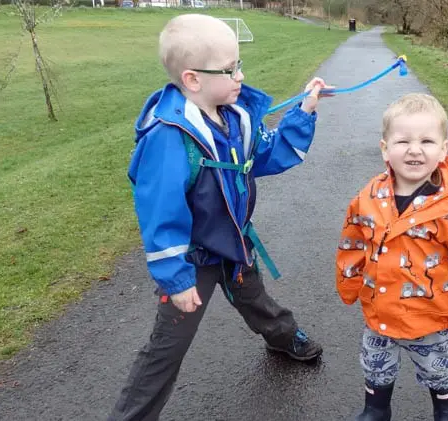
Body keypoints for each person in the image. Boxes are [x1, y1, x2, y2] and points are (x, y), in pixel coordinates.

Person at [109, 14, 332, 421]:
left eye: (239, 65)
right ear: (193, 80)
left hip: (235, 244)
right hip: (193, 262)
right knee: (167, 346)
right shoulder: (169, 138)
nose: (241, 76)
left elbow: (270, 155)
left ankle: (283, 337)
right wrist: (175, 279)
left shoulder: (235, 118)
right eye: (231, 69)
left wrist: (305, 109)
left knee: (255, 299)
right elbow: (160, 214)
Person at [336, 93, 448, 421]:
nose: (414, 149)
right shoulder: (369, 196)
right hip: (379, 310)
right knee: (376, 365)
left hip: (431, 316)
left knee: (438, 369)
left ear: (443, 149)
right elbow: (353, 238)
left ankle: (445, 409)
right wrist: (350, 279)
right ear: (385, 148)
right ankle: (376, 408)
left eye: (427, 140)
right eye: (403, 140)